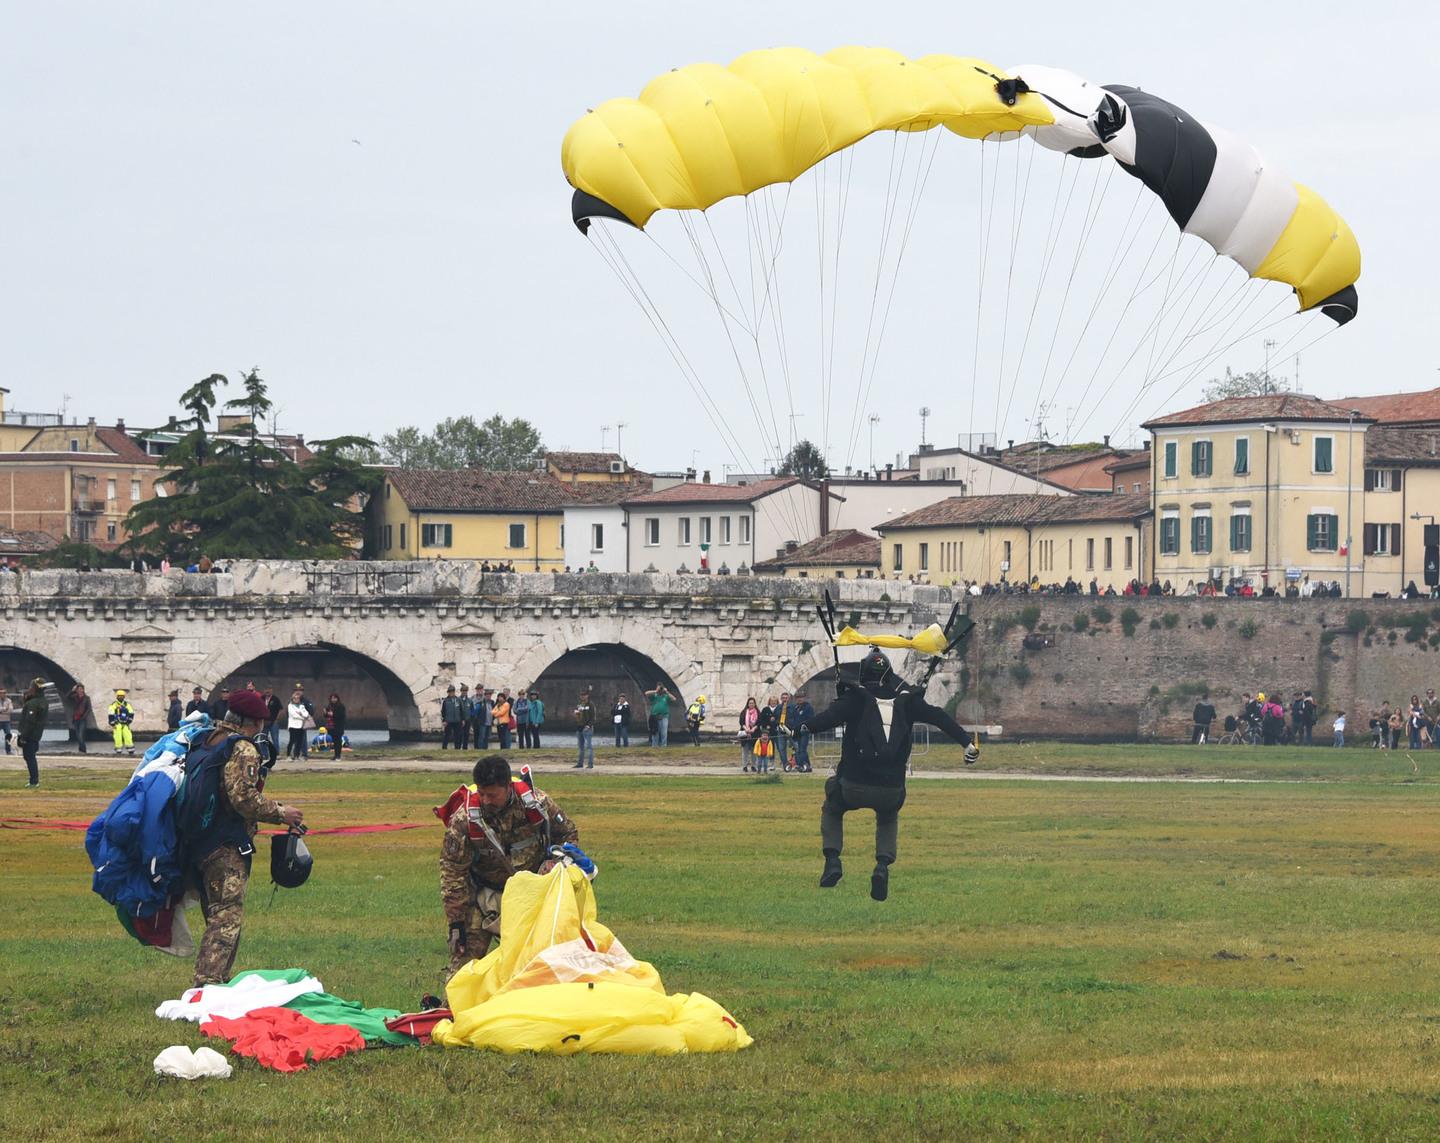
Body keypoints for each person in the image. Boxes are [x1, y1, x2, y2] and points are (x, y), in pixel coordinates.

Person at [799, 648, 979, 901]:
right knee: (887, 816)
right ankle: (882, 865)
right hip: (891, 789)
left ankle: (832, 861)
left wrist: (798, 728)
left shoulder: (855, 699)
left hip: (853, 786)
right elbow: (940, 718)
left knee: (832, 805)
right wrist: (967, 743)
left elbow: (826, 719)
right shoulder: (908, 701)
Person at [177, 688, 304, 985]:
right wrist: (281, 812)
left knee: (216, 914)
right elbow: (243, 799)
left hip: (197, 841)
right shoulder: (243, 748)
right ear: (255, 722)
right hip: (226, 844)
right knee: (227, 917)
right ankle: (207, 984)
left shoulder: (206, 740)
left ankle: (216, 977)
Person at [439, 754, 579, 977]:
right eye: (482, 794)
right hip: (485, 897)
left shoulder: (537, 804)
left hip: (531, 896)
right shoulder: (464, 821)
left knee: (543, 963)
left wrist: (555, 861)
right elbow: (453, 872)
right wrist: (456, 922)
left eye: (492, 795)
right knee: (464, 968)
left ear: (507, 786)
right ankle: (453, 1010)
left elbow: (568, 834)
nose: (485, 800)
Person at [15, 677, 46, 787]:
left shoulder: (34, 703)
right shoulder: (42, 701)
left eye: (31, 686)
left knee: (29, 756)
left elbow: (29, 721)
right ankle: (34, 779)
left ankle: (34, 781)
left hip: (30, 735)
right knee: (29, 756)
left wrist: (23, 736)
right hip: (36, 734)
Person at [790, 691, 815, 772]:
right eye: (798, 698)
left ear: (804, 698)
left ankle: (803, 765)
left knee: (802, 749)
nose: (800, 699)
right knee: (798, 749)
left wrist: (806, 727)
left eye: (801, 697)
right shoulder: (795, 708)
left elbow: (811, 719)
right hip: (796, 732)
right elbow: (792, 719)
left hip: (804, 731)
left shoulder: (808, 707)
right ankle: (805, 765)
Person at [107, 688, 136, 756]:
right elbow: (110, 713)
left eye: (122, 696)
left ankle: (130, 749)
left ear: (124, 696)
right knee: (117, 736)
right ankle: (118, 749)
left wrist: (129, 720)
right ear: (117, 696)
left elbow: (131, 712)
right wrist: (112, 722)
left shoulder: (127, 704)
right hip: (117, 723)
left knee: (128, 735)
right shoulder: (114, 705)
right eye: (119, 696)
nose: (120, 697)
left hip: (125, 723)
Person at [645, 683, 673, 747]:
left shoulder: (666, 696)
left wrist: (667, 692)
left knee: (664, 732)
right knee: (655, 732)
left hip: (664, 717)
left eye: (661, 688)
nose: (660, 690)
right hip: (655, 717)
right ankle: (654, 746)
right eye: (659, 688)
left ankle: (664, 745)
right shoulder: (654, 696)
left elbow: (673, 699)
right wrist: (656, 691)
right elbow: (646, 693)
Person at [286, 689, 311, 760]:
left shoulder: (301, 706)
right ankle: (288, 755)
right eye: (295, 698)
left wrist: (302, 715)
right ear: (292, 699)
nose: (296, 699)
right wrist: (302, 716)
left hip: (301, 726)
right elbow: (293, 715)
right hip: (293, 726)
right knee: (292, 740)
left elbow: (306, 714)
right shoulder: (290, 706)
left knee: (299, 741)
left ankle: (296, 755)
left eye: (297, 698)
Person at [574, 691, 596, 769]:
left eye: (584, 695)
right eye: (581, 695)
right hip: (579, 727)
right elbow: (577, 717)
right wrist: (576, 715)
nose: (583, 697)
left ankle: (590, 764)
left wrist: (588, 725)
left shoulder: (591, 705)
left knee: (588, 746)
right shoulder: (579, 705)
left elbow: (593, 717)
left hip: (587, 728)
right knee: (580, 747)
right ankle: (580, 763)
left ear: (587, 696)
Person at [68, 683, 92, 753]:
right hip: (75, 719)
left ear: (83, 690)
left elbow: (88, 709)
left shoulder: (87, 698)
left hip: (82, 719)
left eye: (81, 689)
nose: (80, 690)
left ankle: (83, 750)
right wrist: (72, 691)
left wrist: (84, 717)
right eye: (78, 689)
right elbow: (67, 697)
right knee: (78, 735)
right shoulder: (74, 697)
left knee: (81, 735)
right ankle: (81, 749)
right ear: (76, 690)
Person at [738, 697, 760, 772]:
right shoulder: (744, 712)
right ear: (748, 704)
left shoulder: (758, 712)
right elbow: (741, 722)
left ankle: (754, 765)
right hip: (745, 734)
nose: (751, 704)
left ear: (755, 704)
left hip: (755, 733)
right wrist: (746, 728)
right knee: (745, 751)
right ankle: (745, 766)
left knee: (754, 751)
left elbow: (759, 722)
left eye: (752, 703)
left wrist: (753, 728)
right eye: (750, 703)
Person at [773, 691, 792, 770]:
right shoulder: (778, 708)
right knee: (781, 748)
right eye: (783, 698)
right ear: (781, 699)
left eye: (786, 698)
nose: (785, 699)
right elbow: (775, 718)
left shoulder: (792, 707)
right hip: (780, 730)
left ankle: (797, 763)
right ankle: (785, 764)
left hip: (790, 730)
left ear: (789, 699)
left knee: (796, 746)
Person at [325, 692, 346, 761]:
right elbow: (326, 716)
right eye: (332, 698)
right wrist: (326, 713)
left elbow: (341, 716)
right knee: (334, 741)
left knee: (338, 741)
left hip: (338, 726)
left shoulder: (341, 706)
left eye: (334, 698)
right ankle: (335, 755)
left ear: (337, 698)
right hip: (331, 726)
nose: (333, 700)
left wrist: (332, 714)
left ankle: (338, 755)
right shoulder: (329, 706)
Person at [263, 688, 282, 756]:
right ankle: (264, 754)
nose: (267, 691)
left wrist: (276, 719)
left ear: (272, 690)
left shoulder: (275, 699)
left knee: (275, 739)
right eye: (266, 689)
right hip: (264, 722)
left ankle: (276, 754)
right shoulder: (261, 698)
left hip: (273, 722)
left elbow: (280, 709)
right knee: (263, 738)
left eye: (269, 689)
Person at [457, 684, 473, 749]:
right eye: (463, 691)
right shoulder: (458, 700)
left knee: (466, 735)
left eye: (465, 691)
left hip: (468, 720)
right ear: (461, 691)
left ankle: (465, 747)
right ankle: (458, 747)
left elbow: (472, 711)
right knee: (459, 735)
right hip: (460, 720)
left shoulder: (469, 701)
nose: (464, 692)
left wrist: (471, 720)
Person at [0, 685, 11, 755]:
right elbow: (6, 709)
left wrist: (1, 711)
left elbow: (10, 710)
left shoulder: (9, 700)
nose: (3, 694)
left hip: (6, 721)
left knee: (8, 735)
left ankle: (8, 751)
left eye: (4, 692)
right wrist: (5, 709)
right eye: (1, 693)